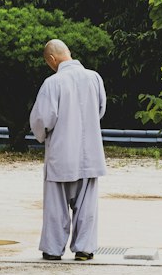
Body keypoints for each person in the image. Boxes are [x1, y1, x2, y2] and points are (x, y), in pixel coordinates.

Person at [29, 39, 107, 262]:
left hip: (61, 153)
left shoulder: (53, 83)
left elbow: (43, 118)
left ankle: (53, 249)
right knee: (86, 204)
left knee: (56, 205)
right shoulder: (94, 78)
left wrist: (43, 135)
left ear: (52, 59)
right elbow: (100, 110)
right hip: (90, 153)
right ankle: (84, 248)